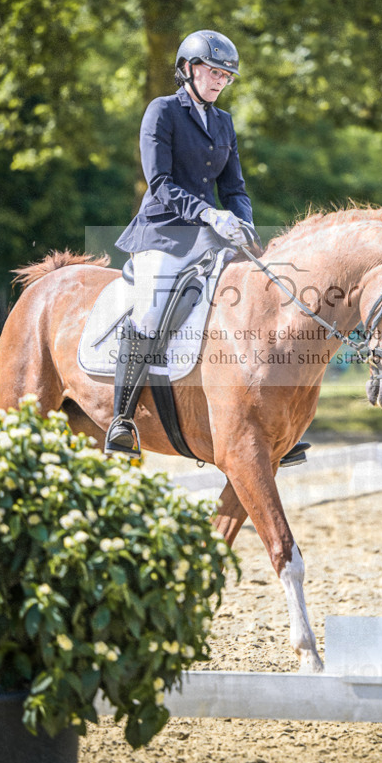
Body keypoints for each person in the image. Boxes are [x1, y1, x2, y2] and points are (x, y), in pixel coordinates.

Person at [105, 28, 309, 466]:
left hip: (210, 233)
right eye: (213, 72)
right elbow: (159, 184)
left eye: (226, 76)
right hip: (162, 231)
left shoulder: (223, 121)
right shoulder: (161, 112)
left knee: (257, 297)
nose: (219, 81)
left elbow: (234, 187)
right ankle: (121, 419)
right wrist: (208, 214)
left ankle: (273, 424)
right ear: (187, 69)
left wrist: (245, 222)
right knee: (150, 310)